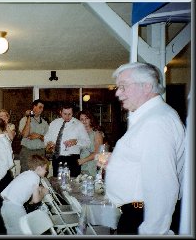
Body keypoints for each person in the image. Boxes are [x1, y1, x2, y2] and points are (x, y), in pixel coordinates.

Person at [105, 62, 185, 235]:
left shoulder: (156, 122)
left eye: (123, 87)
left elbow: (162, 186)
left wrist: (152, 231)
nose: (118, 93)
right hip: (137, 212)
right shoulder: (149, 117)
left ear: (147, 86)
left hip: (142, 217)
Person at [0, 154, 49, 235]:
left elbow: (27, 189)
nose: (46, 171)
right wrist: (43, 193)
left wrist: (39, 188)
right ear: (39, 168)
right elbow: (35, 200)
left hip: (5, 206)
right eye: (45, 169)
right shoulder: (36, 177)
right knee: (25, 232)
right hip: (15, 208)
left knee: (12, 232)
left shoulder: (26, 173)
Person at [44, 102, 91, 177]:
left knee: (73, 184)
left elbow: (87, 142)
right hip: (57, 158)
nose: (67, 116)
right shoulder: (54, 123)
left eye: (70, 114)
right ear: (60, 112)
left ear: (73, 113)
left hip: (72, 159)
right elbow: (47, 138)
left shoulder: (79, 125)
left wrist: (76, 142)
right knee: (58, 182)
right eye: (65, 114)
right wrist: (48, 143)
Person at [18, 99, 49, 173]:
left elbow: (48, 139)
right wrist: (28, 118)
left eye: (42, 108)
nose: (42, 110)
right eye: (40, 107)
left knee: (40, 174)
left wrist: (39, 136)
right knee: (26, 174)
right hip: (27, 152)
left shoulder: (44, 123)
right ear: (34, 107)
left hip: (40, 152)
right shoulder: (24, 120)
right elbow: (25, 134)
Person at [76, 110, 104, 177]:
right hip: (79, 166)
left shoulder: (97, 133)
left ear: (91, 119)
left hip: (91, 166)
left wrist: (83, 160)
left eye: (86, 118)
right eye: (81, 119)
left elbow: (98, 153)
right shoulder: (78, 134)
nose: (84, 121)